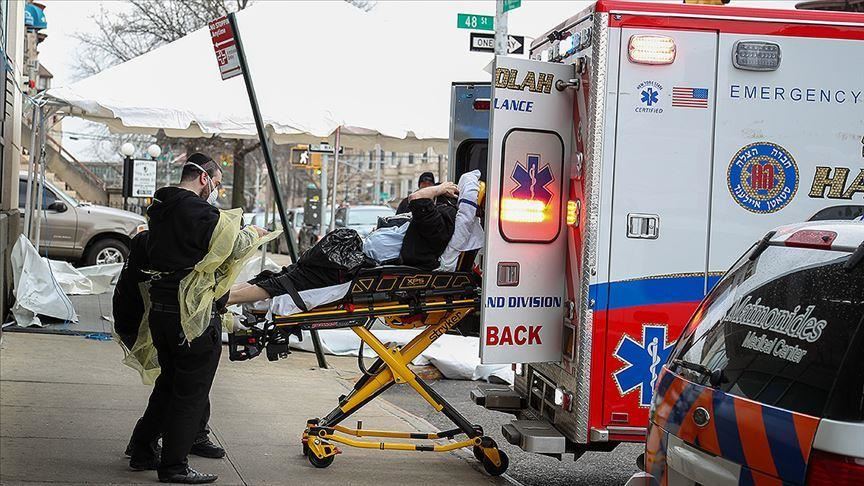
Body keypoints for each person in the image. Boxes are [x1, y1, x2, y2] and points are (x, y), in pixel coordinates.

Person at [125, 153, 269, 484]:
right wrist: (254, 234)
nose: (215, 190)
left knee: (169, 385)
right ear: (204, 178)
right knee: (190, 392)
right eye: (216, 183)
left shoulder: (159, 209)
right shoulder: (199, 212)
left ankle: (142, 449)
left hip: (161, 310)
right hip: (192, 314)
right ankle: (174, 466)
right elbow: (229, 246)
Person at [228, 180, 460, 306]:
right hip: (352, 257)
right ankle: (225, 295)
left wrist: (439, 189)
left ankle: (226, 299)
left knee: (288, 281)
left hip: (355, 266)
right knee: (287, 274)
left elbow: (417, 198)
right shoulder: (433, 224)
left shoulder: (438, 226)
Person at [113, 231, 225, 469]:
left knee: (183, 384)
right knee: (179, 387)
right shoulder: (165, 248)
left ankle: (178, 438)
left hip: (148, 321)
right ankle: (148, 447)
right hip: (145, 324)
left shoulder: (159, 240)